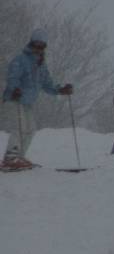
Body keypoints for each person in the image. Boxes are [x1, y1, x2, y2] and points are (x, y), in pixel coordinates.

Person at [1, 29, 74, 171]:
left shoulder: (41, 65)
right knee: (19, 127)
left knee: (30, 129)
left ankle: (19, 157)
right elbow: (12, 77)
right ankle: (10, 158)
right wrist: (14, 89)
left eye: (42, 46)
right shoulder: (21, 60)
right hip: (14, 99)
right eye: (36, 44)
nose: (39, 48)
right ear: (31, 44)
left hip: (27, 102)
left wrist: (60, 90)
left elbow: (47, 84)